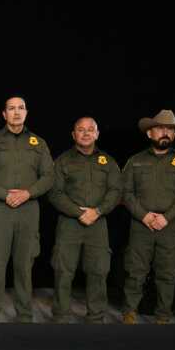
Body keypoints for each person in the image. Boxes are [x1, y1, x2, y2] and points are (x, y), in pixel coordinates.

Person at [0, 96, 54, 322]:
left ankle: (25, 316)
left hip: (29, 210)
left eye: (21, 108)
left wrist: (28, 193)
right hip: (0, 210)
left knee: (24, 265)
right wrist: (5, 194)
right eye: (11, 108)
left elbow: (49, 177)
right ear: (4, 114)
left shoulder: (39, 143)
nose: (16, 112)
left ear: (26, 112)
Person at [120, 110, 175, 325]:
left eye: (170, 129)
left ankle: (163, 315)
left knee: (168, 272)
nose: (166, 133)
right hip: (140, 225)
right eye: (161, 128)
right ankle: (129, 312)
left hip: (169, 226)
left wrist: (166, 217)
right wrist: (144, 216)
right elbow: (126, 193)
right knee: (135, 270)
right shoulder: (134, 162)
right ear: (150, 133)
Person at [49, 117, 122, 324]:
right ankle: (61, 315)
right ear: (74, 135)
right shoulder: (62, 161)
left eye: (91, 130)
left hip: (98, 224)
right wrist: (78, 213)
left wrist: (98, 211)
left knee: (98, 271)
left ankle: (96, 316)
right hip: (69, 223)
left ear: (97, 134)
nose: (86, 133)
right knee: (63, 270)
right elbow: (55, 193)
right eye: (81, 130)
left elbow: (116, 191)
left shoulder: (108, 162)